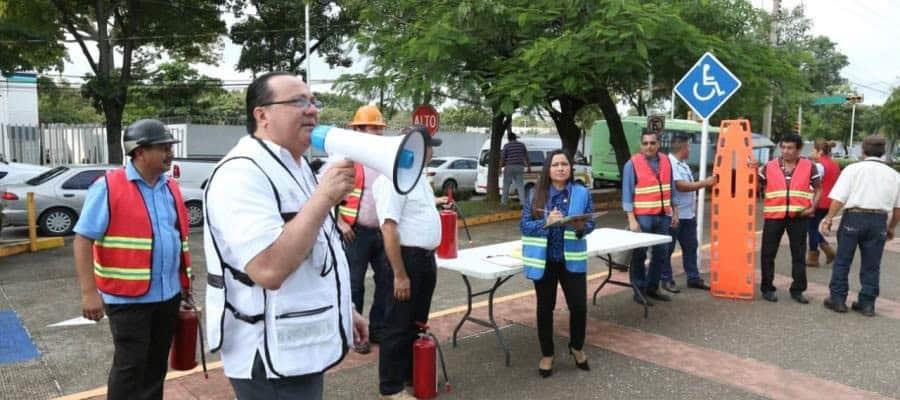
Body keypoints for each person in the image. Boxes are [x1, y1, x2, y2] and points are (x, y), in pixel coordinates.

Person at [203, 72, 367, 400]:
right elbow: (268, 269)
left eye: (312, 101)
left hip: (295, 346)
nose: (312, 110)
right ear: (261, 115)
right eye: (297, 102)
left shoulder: (296, 167)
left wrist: (344, 308)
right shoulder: (242, 172)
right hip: (269, 356)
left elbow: (317, 249)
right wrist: (323, 199)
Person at [73, 118, 192, 400]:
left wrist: (184, 281)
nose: (170, 152)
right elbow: (82, 239)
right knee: (130, 368)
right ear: (139, 151)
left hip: (168, 295)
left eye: (170, 146)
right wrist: (89, 293)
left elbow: (177, 238)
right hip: (128, 300)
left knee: (155, 367)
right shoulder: (109, 186)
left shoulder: (170, 187)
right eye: (163, 147)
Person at [374, 125, 446, 399]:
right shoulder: (393, 180)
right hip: (405, 260)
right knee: (397, 325)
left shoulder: (417, 178)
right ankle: (391, 388)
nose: (432, 151)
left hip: (425, 259)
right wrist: (399, 274)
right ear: (414, 147)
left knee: (417, 323)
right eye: (429, 145)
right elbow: (389, 228)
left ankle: (410, 375)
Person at [521, 149, 594, 378]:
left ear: (570, 168)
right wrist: (546, 222)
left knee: (579, 307)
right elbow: (523, 226)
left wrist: (581, 227)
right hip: (545, 262)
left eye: (565, 164)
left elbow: (591, 223)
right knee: (545, 309)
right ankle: (547, 354)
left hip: (571, 260)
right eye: (556, 165)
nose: (561, 168)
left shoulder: (582, 193)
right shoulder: (536, 194)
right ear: (548, 170)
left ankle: (576, 346)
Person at [821, 135, 900, 316]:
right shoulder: (894, 175)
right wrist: (891, 227)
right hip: (878, 221)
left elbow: (838, 199)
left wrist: (828, 219)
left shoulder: (852, 169)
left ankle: (838, 300)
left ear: (863, 150)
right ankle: (867, 304)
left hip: (853, 218)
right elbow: (897, 211)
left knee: (843, 260)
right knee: (872, 265)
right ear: (882, 152)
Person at [336, 105, 391, 354]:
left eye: (380, 129)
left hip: (383, 232)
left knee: (386, 283)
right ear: (357, 129)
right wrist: (340, 222)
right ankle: (356, 333)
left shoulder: (385, 158)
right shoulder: (346, 158)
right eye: (373, 128)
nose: (377, 134)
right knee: (354, 284)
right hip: (354, 233)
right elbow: (323, 194)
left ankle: (377, 330)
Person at [758, 133, 821, 303]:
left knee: (798, 254)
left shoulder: (809, 166)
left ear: (798, 149)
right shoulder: (769, 166)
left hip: (799, 216)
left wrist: (812, 207)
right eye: (783, 147)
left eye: (790, 148)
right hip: (773, 216)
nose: (785, 151)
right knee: (767, 254)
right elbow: (757, 183)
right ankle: (767, 288)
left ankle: (798, 290)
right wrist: (751, 168)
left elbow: (818, 189)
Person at [622, 130, 678, 305]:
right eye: (645, 143)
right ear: (641, 145)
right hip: (643, 217)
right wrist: (631, 219)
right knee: (639, 254)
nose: (649, 146)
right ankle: (639, 290)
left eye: (652, 143)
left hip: (663, 216)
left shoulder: (666, 161)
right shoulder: (632, 164)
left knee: (662, 253)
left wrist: (675, 212)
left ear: (658, 144)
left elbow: (672, 188)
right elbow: (627, 194)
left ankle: (652, 287)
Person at [660, 136, 715, 293]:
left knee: (691, 247)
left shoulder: (682, 165)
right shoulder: (670, 163)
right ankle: (666, 279)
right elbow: (681, 186)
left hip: (688, 215)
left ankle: (693, 278)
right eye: (689, 147)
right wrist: (705, 183)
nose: (690, 150)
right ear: (683, 148)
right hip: (673, 215)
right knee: (667, 249)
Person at [806, 140, 840, 267]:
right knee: (812, 227)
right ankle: (819, 254)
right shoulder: (834, 164)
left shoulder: (819, 166)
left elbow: (814, 184)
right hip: (830, 201)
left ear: (819, 151)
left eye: (813, 150)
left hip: (818, 201)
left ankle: (816, 256)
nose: (811, 152)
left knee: (811, 228)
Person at [501, 131, 531, 206]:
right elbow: (526, 156)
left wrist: (500, 167)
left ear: (509, 139)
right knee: (520, 185)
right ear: (515, 138)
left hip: (509, 166)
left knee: (506, 185)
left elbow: (503, 158)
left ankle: (504, 203)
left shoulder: (506, 146)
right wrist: (529, 167)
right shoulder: (521, 145)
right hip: (520, 166)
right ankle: (523, 203)